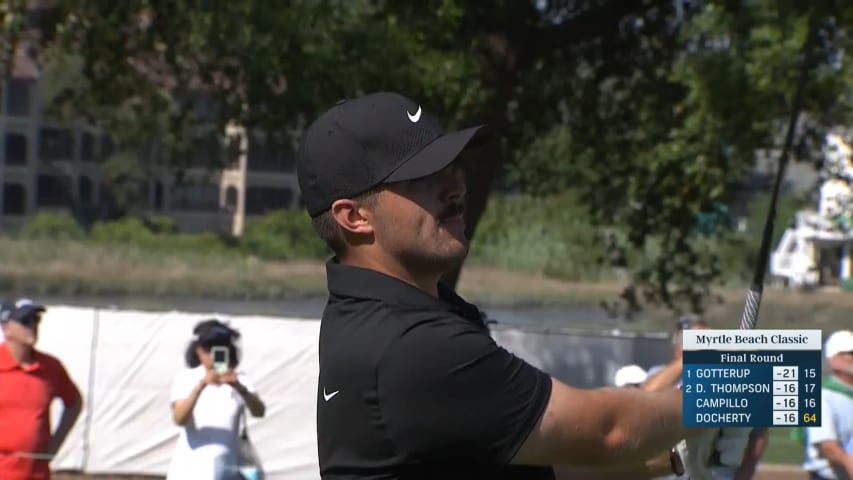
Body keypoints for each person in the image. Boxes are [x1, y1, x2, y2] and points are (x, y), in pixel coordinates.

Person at [296, 91, 751, 479]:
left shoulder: (384, 317)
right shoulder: (411, 346)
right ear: (354, 217)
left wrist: (669, 462)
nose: (455, 185)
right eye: (421, 178)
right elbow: (606, 431)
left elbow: (528, 455)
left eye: (452, 166)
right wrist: (754, 387)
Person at [642, 316, 769, 480]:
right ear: (679, 350)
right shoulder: (660, 375)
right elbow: (646, 396)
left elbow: (758, 432)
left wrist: (745, 473)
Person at [166, 319, 266, 480]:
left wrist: (239, 387)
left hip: (226, 471)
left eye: (218, 348)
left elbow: (259, 411)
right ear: (198, 351)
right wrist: (201, 385)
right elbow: (180, 418)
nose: (212, 354)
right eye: (207, 349)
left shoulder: (239, 380)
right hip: (188, 472)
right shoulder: (186, 378)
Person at [0, 298, 82, 480]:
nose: (33, 326)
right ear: (6, 328)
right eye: (25, 321)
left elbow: (74, 403)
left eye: (36, 320)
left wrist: (53, 447)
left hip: (37, 474)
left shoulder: (50, 367)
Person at [802, 330, 853, 480]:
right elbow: (828, 447)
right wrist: (849, 463)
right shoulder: (819, 396)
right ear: (832, 359)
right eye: (848, 353)